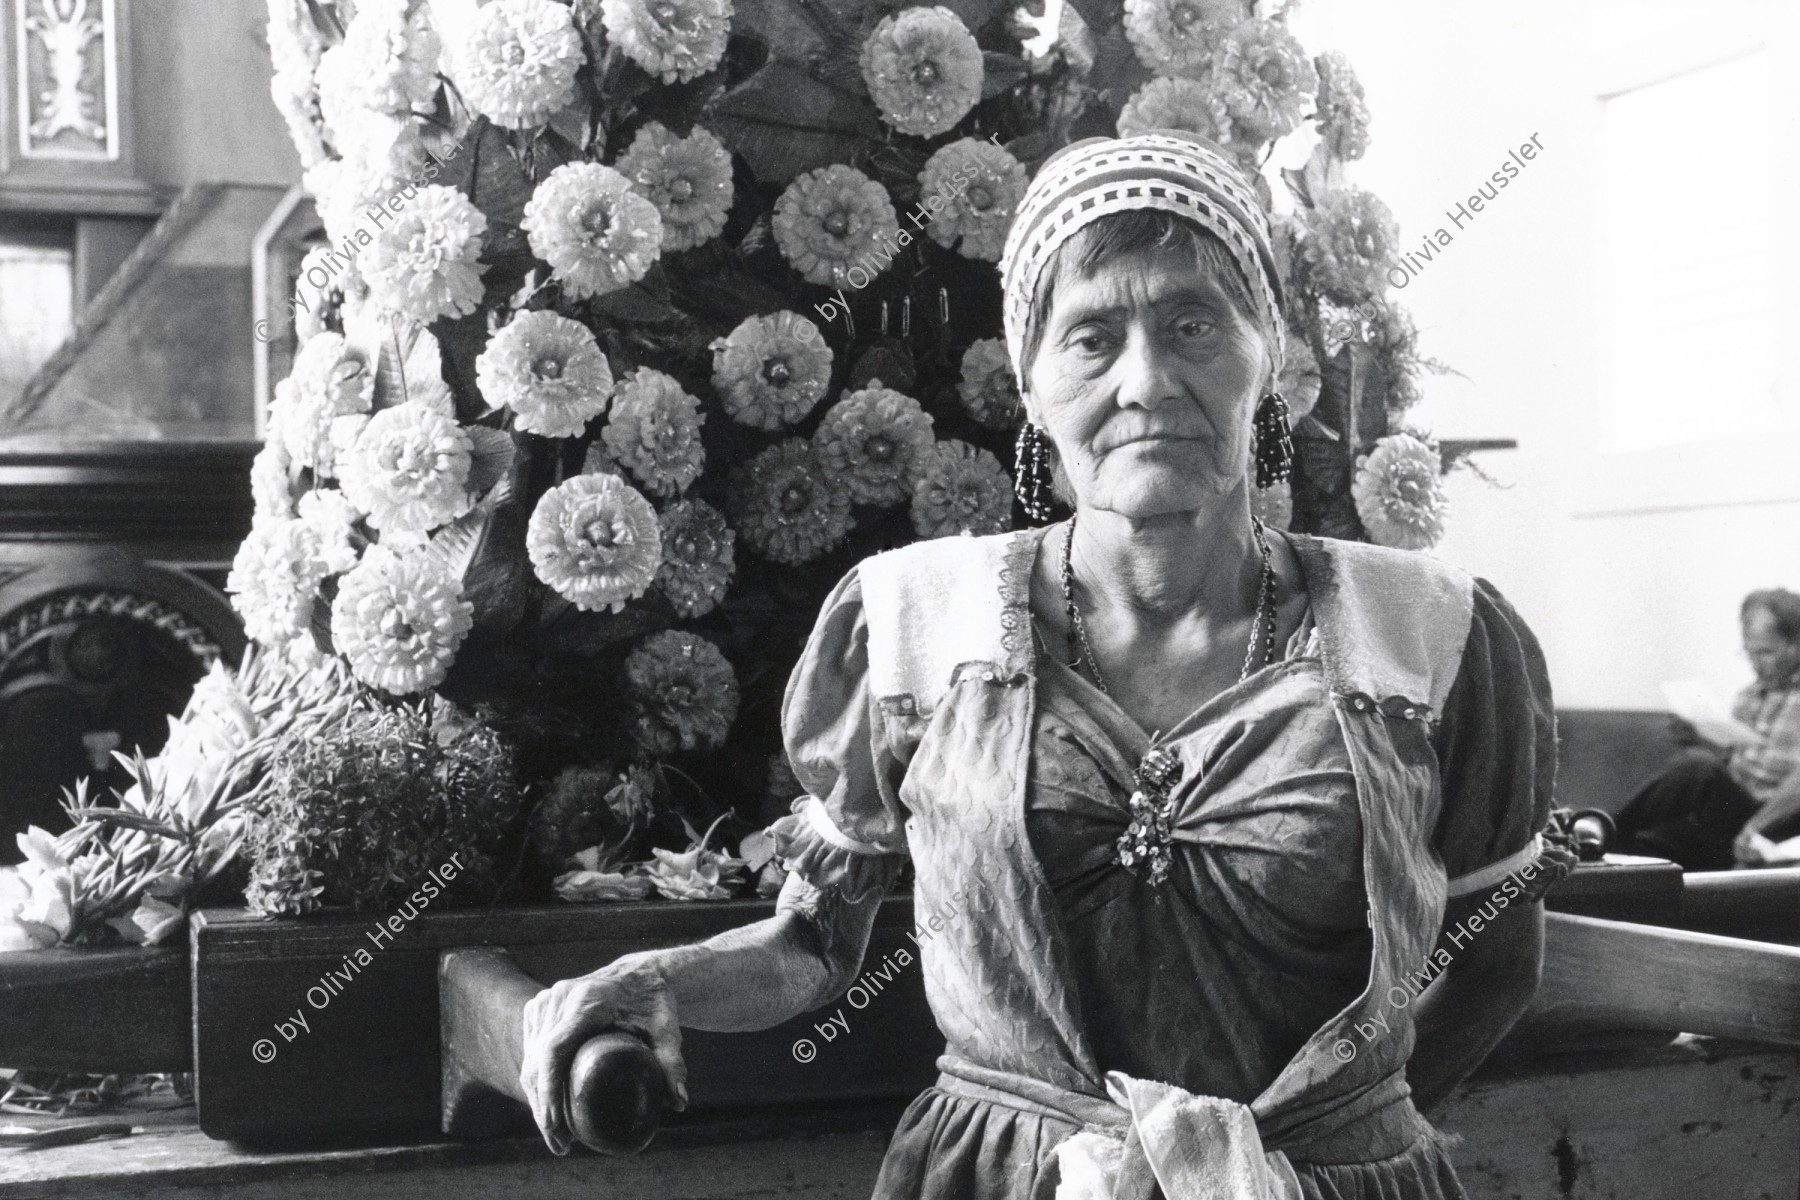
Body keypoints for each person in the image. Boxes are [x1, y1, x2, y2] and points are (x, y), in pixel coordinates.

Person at [518, 131, 1574, 1198]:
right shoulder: (913, 624)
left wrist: (1323, 1146)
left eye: (1194, 324)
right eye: (1091, 338)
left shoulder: (1430, 635)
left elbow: (1499, 958)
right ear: (1029, 382)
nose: (1147, 381)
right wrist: (644, 976)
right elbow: (812, 947)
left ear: (1269, 356)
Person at [1614, 589, 1800, 870]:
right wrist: (1697, 739)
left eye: (1765, 652)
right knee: (1648, 845)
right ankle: (1597, 844)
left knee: (1701, 768)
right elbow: (1733, 762)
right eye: (1749, 652)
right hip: (1733, 811)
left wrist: (1756, 828)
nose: (1754, 663)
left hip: (1778, 821)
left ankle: (1599, 825)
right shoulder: (1749, 696)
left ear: (1795, 644)